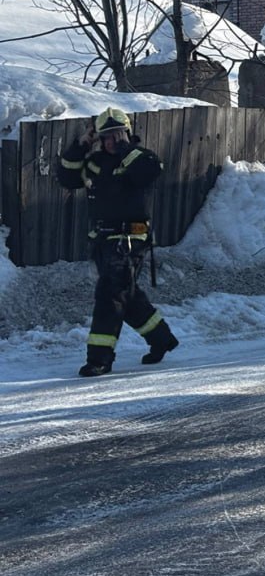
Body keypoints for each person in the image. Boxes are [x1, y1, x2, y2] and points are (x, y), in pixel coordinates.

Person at [56, 108, 180, 376]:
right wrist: (81, 145)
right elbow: (66, 177)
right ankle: (161, 339)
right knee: (126, 295)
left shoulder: (139, 157)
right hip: (102, 239)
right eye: (106, 136)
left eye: (117, 134)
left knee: (109, 294)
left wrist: (125, 148)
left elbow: (148, 172)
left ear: (127, 132)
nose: (112, 141)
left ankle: (99, 359)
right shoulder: (95, 161)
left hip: (130, 239)